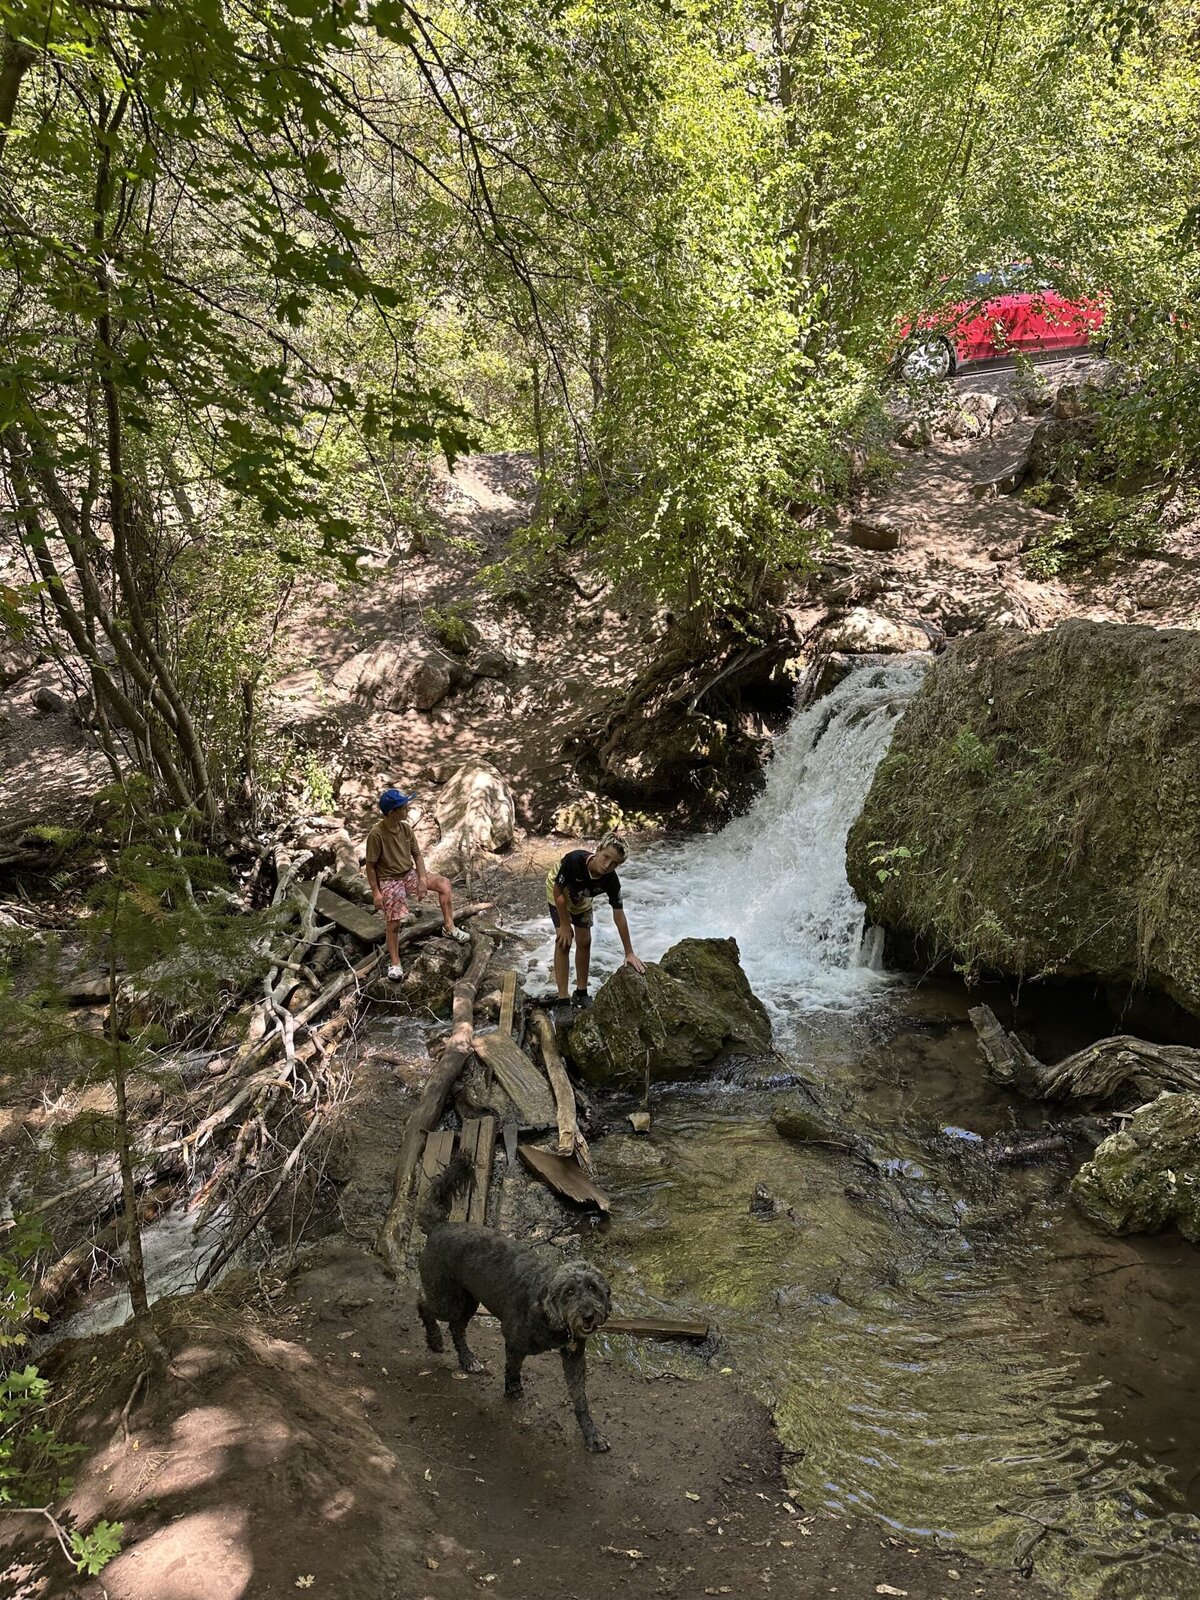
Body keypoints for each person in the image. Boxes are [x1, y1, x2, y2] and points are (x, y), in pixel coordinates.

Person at [365, 788, 469, 981]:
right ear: (392, 812)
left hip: (408, 873)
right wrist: (376, 893)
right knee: (394, 922)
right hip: (389, 879)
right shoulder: (376, 835)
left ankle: (449, 927)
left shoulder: (405, 828)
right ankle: (395, 963)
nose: (407, 809)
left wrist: (421, 880)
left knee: (444, 884)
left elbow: (418, 855)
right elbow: (370, 867)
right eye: (403, 807)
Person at [546, 832, 645, 1008]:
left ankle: (581, 993)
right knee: (565, 941)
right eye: (606, 857)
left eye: (614, 863)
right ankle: (563, 1000)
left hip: (581, 898)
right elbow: (557, 891)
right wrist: (564, 924)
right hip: (558, 892)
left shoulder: (611, 881)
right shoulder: (574, 860)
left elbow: (619, 915)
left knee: (585, 941)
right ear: (598, 850)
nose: (607, 865)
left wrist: (629, 952)